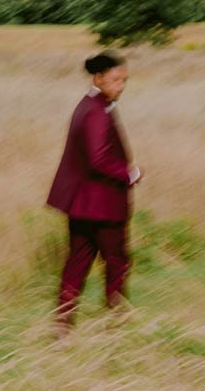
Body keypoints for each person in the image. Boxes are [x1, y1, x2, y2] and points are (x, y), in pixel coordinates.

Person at [46, 52, 141, 332]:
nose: (121, 86)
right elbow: (98, 158)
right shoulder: (97, 112)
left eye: (124, 80)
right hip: (103, 205)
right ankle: (116, 323)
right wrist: (130, 174)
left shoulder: (89, 105)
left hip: (81, 205)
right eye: (115, 80)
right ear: (97, 78)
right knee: (117, 263)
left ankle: (62, 328)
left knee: (76, 264)